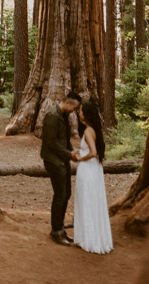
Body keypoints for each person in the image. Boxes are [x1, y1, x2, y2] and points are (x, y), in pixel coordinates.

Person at [40, 91, 81, 245]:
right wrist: (68, 155)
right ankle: (56, 231)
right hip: (53, 161)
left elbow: (64, 139)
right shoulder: (52, 116)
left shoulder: (64, 115)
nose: (74, 111)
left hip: (62, 159)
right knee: (60, 195)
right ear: (68, 103)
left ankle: (61, 229)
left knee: (66, 193)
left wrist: (71, 151)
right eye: (74, 108)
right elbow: (50, 143)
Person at [73, 101, 113, 253]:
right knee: (92, 200)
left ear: (87, 114)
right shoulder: (93, 129)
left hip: (88, 169)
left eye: (81, 111)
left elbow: (93, 152)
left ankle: (88, 239)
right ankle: (91, 236)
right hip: (94, 169)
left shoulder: (88, 131)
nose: (79, 113)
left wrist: (79, 158)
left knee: (86, 201)